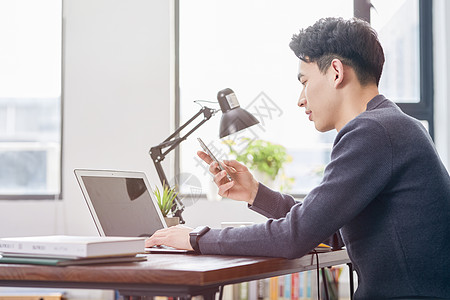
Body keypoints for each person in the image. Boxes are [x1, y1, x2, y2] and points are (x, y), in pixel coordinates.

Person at [146, 17, 450, 299]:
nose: (300, 99)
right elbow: (327, 229)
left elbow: (296, 236)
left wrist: (196, 238)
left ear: (335, 72)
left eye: (304, 81)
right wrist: (256, 194)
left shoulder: (373, 130)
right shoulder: (390, 125)